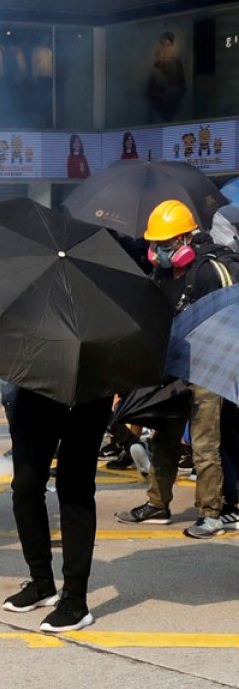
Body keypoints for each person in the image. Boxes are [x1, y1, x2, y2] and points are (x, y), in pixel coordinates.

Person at [115, 200, 232, 538]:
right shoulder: (161, 275)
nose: (160, 250)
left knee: (204, 444)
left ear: (185, 240)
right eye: (156, 244)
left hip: (206, 370)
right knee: (163, 439)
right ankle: (157, 504)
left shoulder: (209, 273)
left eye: (166, 244)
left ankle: (210, 513)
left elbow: (228, 319)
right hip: (171, 368)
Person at [2, 388, 113, 633]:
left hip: (91, 388)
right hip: (37, 384)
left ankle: (75, 601)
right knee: (25, 488)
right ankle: (41, 583)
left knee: (74, 489)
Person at [146, 30, 186, 123]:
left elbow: (182, 85)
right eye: (164, 45)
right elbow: (150, 87)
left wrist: (174, 93)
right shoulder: (157, 63)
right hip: (159, 104)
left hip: (174, 103)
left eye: (168, 45)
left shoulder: (177, 62)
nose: (166, 48)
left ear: (172, 46)